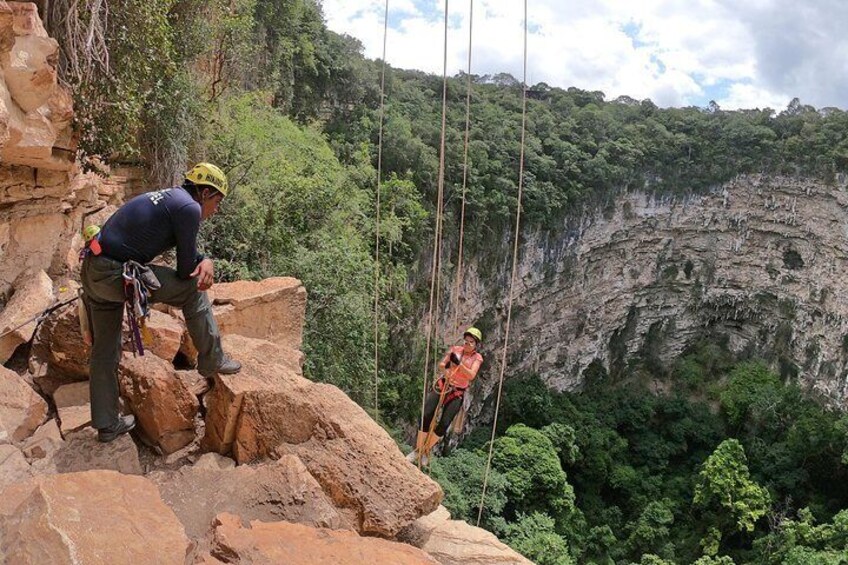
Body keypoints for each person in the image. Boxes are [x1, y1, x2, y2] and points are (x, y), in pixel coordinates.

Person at [80, 162, 241, 443]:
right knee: (193, 290)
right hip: (116, 275)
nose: (216, 210)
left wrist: (199, 258)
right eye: (217, 201)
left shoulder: (171, 197)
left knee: (104, 350)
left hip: (94, 270)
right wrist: (206, 261)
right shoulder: (189, 208)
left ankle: (107, 424)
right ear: (204, 193)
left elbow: (184, 254)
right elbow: (184, 271)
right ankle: (212, 359)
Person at [408, 327, 484, 465]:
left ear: (476, 344)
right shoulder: (455, 349)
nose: (467, 344)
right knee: (426, 415)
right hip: (444, 384)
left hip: (457, 392)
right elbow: (442, 365)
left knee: (444, 423)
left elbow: (471, 375)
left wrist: (459, 364)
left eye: (470, 342)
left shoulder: (477, 358)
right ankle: (418, 450)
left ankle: (426, 450)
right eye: (466, 341)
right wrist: (447, 370)